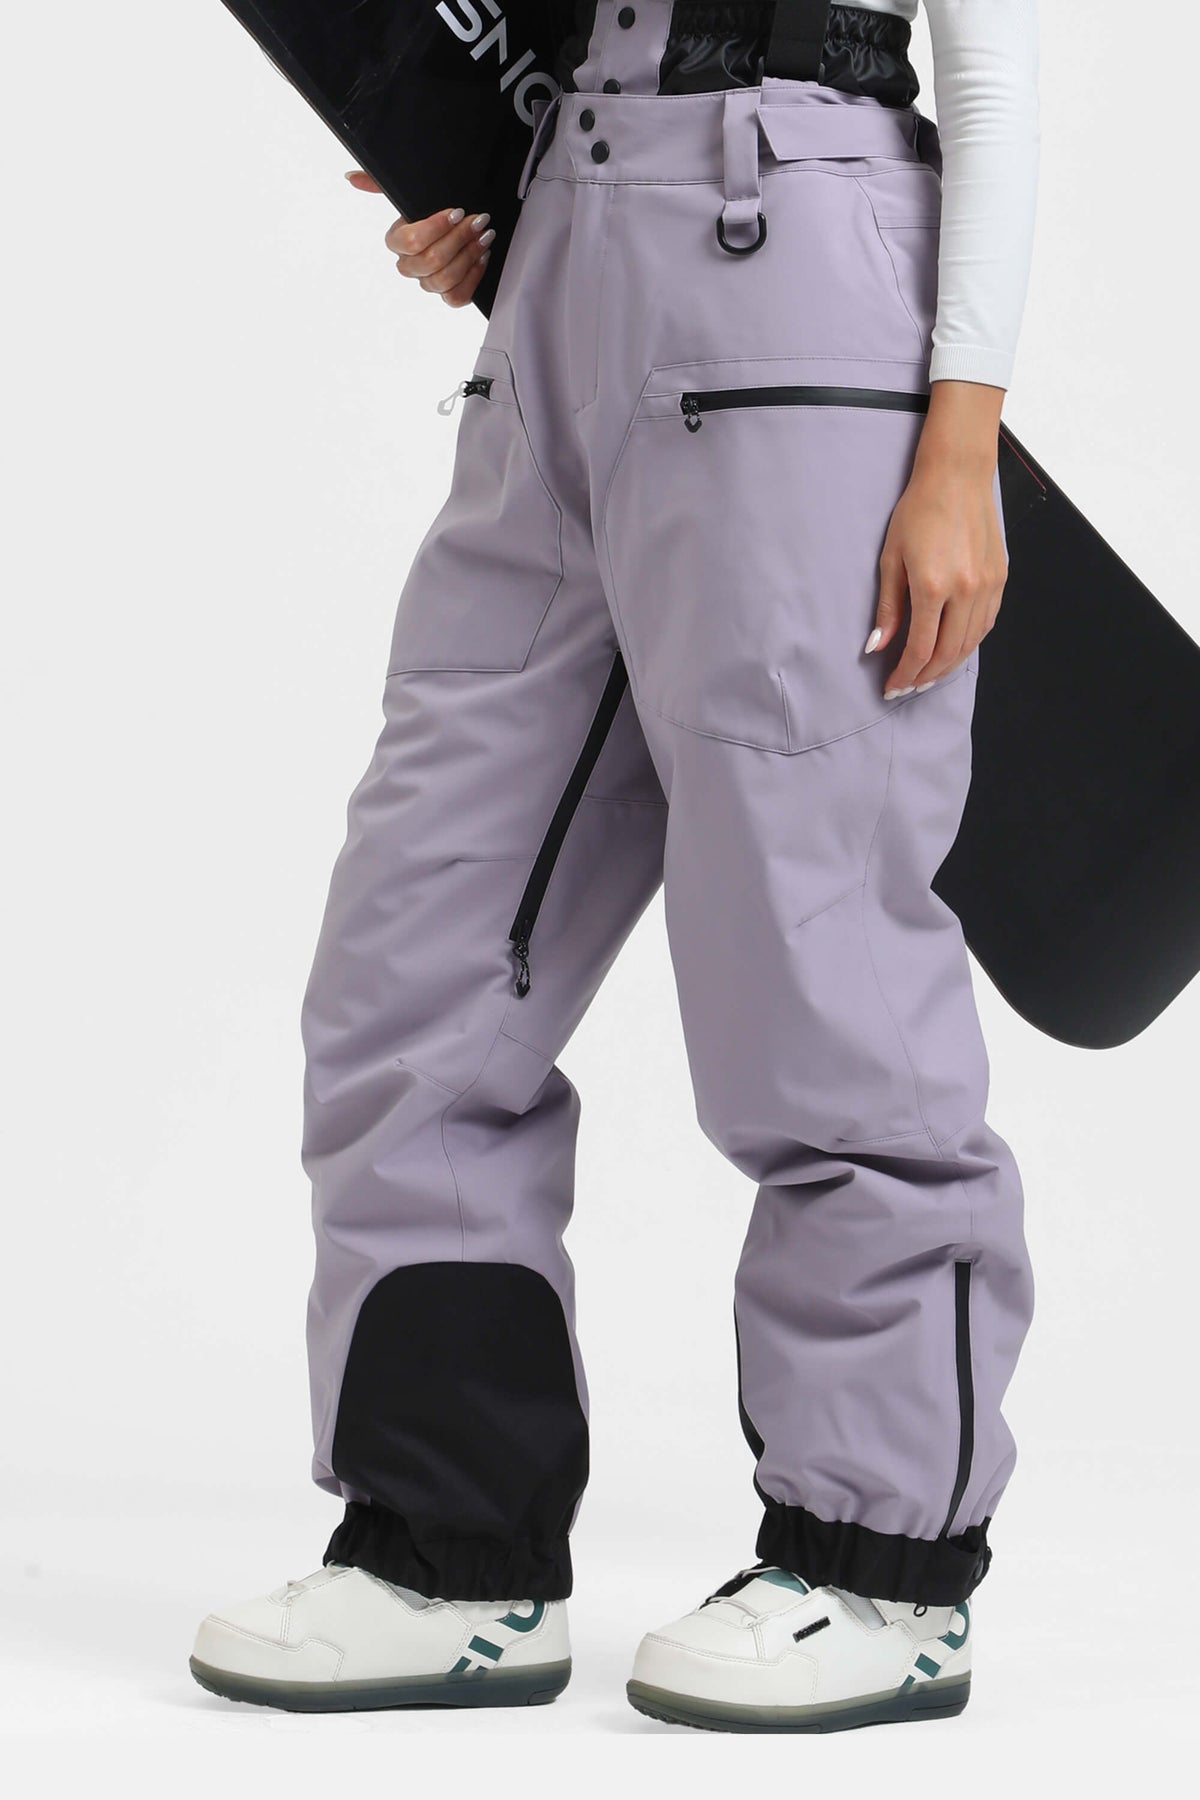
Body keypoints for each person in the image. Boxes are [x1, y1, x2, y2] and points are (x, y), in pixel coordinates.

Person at [190, 0, 1040, 1731]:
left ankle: (881, 1571)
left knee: (812, 972)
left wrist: (962, 442)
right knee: (417, 955)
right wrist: (491, 192)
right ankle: (450, 1554)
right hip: (562, 268)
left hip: (793, 267)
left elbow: (992, 69)